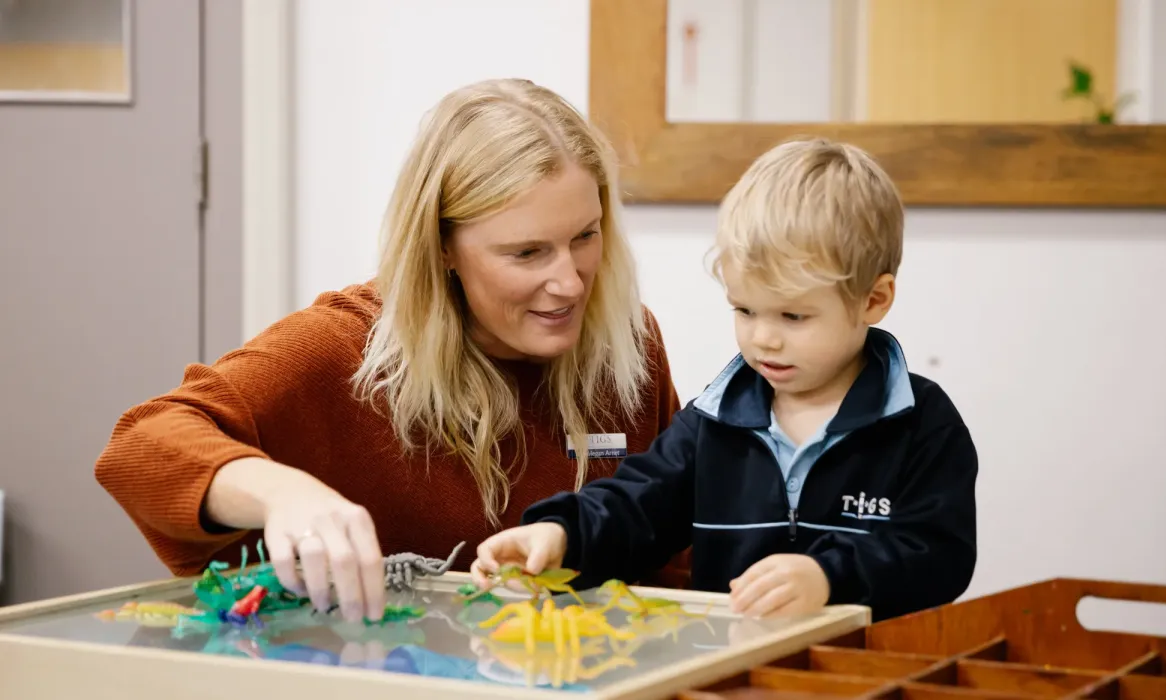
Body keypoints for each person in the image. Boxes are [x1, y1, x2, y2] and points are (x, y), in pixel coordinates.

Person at [94, 78, 688, 624]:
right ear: (442, 247)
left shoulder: (628, 345)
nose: (571, 283)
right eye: (527, 253)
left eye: (585, 236)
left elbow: (676, 564)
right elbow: (141, 446)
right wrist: (284, 494)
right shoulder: (342, 348)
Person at [471, 137, 978, 622]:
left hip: (865, 670)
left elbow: (940, 556)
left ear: (874, 300)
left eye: (793, 316)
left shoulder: (921, 423)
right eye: (745, 310)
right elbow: (636, 507)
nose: (763, 339)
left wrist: (829, 576)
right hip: (733, 668)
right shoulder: (712, 422)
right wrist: (563, 535)